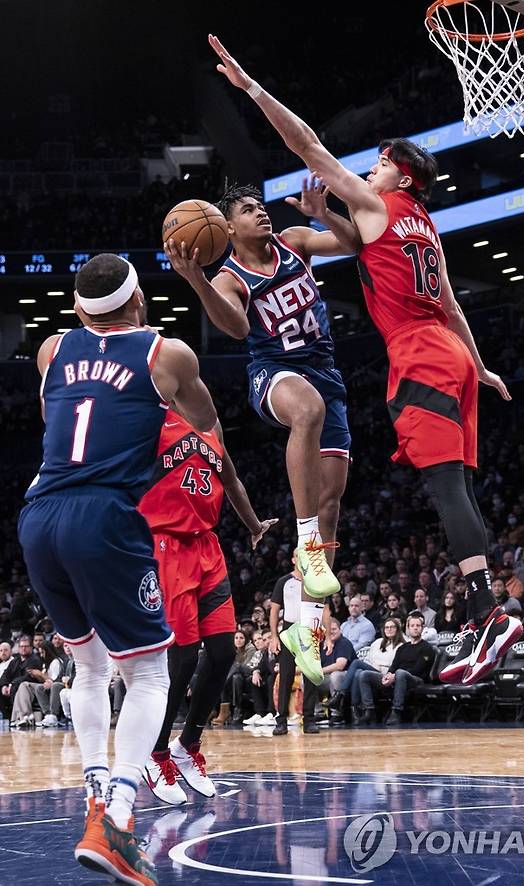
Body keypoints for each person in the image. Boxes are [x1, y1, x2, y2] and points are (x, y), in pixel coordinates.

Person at [207, 34, 521, 685]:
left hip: (411, 360)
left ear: (399, 176)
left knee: (400, 496)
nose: (369, 169)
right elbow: (451, 301)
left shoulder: (365, 208)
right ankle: (460, 613)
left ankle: (484, 614)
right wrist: (481, 364)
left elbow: (309, 147)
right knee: (431, 489)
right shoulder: (421, 224)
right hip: (431, 358)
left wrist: (252, 88)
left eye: (377, 164)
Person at [18, 252, 220, 884]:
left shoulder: (52, 349)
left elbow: (59, 416)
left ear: (79, 309)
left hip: (38, 515)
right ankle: (120, 822)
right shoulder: (167, 354)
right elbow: (205, 422)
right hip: (103, 517)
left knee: (88, 664)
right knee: (150, 675)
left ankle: (96, 792)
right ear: (140, 303)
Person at [164, 178, 355, 681]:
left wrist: (325, 213)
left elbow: (355, 242)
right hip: (274, 375)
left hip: (326, 372)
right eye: (248, 210)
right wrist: (197, 281)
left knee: (332, 499)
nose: (261, 214)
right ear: (227, 227)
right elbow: (238, 328)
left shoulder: (294, 241)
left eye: (260, 206)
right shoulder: (229, 276)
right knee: (307, 410)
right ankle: (305, 540)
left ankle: (307, 631)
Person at [139, 407, 276, 805]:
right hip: (166, 543)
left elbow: (230, 481)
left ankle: (188, 745)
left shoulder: (213, 427)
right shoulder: (154, 418)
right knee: (181, 659)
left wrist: (253, 526)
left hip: (206, 546)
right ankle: (155, 750)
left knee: (221, 652)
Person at [269, 554, 331, 736]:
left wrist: (327, 636)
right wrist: (274, 636)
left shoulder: (316, 581)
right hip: (289, 630)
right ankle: (281, 720)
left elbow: (325, 609)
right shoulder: (284, 581)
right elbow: (274, 610)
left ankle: (309, 720)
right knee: (286, 675)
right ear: (293, 559)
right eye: (298, 556)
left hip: (310, 630)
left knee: (310, 677)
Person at [355, 614, 434, 726]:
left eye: (418, 625)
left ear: (422, 628)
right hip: (397, 677)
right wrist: (388, 675)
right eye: (412, 625)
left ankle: (396, 711)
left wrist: (395, 675)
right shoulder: (403, 648)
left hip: (416, 680)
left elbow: (418, 669)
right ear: (408, 628)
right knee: (364, 675)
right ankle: (369, 710)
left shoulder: (427, 648)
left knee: (401, 673)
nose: (415, 628)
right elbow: (393, 666)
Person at [328, 617, 405, 720]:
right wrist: (374, 664)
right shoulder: (377, 642)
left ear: (397, 629)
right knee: (358, 672)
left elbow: (394, 664)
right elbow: (368, 659)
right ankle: (356, 710)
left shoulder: (402, 645)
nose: (389, 629)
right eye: (386, 627)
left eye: (392, 627)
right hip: (373, 671)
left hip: (387, 675)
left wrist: (379, 664)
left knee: (356, 663)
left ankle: (341, 695)